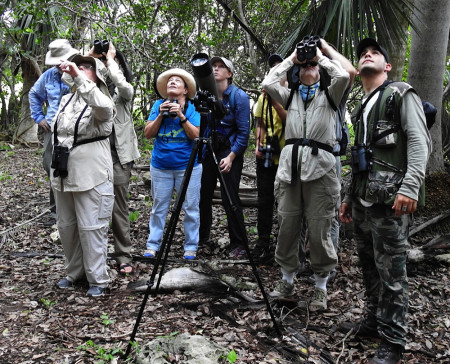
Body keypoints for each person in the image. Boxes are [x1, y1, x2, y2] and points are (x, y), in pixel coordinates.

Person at [339, 38, 432, 364]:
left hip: (392, 200)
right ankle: (375, 321)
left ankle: (393, 340)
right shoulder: (361, 107)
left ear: (387, 66)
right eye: (363, 53)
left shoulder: (400, 94)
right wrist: (349, 197)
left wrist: (410, 186)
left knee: (392, 272)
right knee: (369, 266)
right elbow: (360, 157)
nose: (367, 55)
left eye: (374, 53)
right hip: (365, 200)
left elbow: (420, 143)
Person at [261, 39, 350, 311]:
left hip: (321, 169)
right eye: (305, 66)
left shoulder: (331, 96)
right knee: (287, 225)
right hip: (290, 170)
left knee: (320, 227)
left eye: (312, 66)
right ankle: (287, 280)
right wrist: (293, 59)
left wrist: (319, 56)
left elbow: (344, 74)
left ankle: (320, 287)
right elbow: (267, 84)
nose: (308, 67)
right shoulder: (292, 96)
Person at [53, 55, 115, 297]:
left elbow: (101, 107)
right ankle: (74, 272)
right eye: (79, 66)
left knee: (92, 227)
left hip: (92, 173)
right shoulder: (67, 98)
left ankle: (97, 279)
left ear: (97, 74)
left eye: (87, 67)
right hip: (64, 172)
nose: (80, 69)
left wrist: (78, 77)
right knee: (66, 226)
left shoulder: (103, 99)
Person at [89, 42, 140, 275]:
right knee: (93, 206)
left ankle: (123, 255)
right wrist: (89, 58)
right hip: (94, 156)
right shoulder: (90, 89)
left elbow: (121, 84)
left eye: (112, 61)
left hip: (119, 157)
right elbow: (70, 77)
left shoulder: (124, 93)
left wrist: (110, 59)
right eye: (103, 61)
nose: (107, 64)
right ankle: (95, 256)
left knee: (118, 207)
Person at [143, 69, 201, 260]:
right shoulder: (158, 105)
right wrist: (160, 115)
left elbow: (196, 136)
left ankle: (191, 247)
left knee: (191, 208)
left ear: (185, 90)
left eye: (177, 81)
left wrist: (182, 117)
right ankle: (153, 245)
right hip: (161, 166)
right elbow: (148, 134)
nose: (172, 82)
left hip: (188, 167)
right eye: (170, 81)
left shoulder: (192, 108)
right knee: (159, 207)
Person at [199, 56, 250, 259]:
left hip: (230, 150)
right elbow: (203, 126)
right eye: (214, 67)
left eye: (222, 67)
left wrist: (231, 157)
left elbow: (244, 133)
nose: (217, 69)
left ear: (230, 73)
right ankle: (203, 238)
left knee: (230, 198)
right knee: (204, 196)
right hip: (210, 148)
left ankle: (239, 243)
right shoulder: (207, 95)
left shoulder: (239, 97)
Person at [29, 39, 79, 227]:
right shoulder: (49, 76)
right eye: (56, 62)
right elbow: (34, 93)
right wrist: (38, 117)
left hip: (75, 130)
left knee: (73, 167)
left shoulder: (79, 74)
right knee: (51, 166)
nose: (59, 65)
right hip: (52, 128)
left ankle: (74, 210)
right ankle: (54, 212)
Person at [252, 54, 287, 262]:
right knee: (264, 200)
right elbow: (260, 123)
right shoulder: (262, 98)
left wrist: (275, 100)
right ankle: (262, 242)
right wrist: (258, 145)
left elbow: (290, 120)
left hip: (286, 157)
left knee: (284, 203)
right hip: (266, 157)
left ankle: (283, 245)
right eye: (272, 69)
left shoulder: (290, 95)